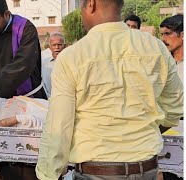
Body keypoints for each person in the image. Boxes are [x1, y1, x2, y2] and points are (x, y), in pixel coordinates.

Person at [36, 0, 184, 179]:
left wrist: (47, 173)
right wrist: (142, 132)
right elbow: (175, 107)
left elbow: (59, 124)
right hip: (145, 168)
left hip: (96, 171)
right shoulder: (155, 47)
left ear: (90, 4)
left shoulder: (72, 56)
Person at [160, 14, 183, 81]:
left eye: (167, 33)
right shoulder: (162, 61)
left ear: (182, 35)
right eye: (162, 34)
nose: (163, 39)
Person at [42, 33, 65, 98]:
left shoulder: (71, 62)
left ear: (64, 46)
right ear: (49, 47)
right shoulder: (44, 63)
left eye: (60, 45)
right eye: (54, 45)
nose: (57, 47)